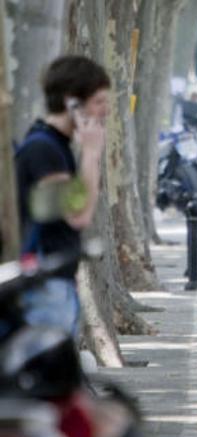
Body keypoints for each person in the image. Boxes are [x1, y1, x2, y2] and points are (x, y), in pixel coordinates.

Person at [14, 55, 109, 337]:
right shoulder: (44, 150)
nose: (105, 111)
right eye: (99, 101)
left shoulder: (56, 146)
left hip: (56, 283)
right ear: (72, 103)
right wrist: (91, 154)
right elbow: (78, 216)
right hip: (45, 288)